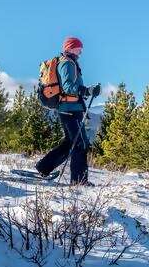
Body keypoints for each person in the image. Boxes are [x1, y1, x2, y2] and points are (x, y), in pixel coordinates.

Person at [35, 36, 100, 185]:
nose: (80, 51)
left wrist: (86, 91)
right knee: (81, 143)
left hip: (69, 108)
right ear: (70, 48)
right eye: (78, 48)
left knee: (71, 142)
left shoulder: (68, 62)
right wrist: (87, 90)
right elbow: (68, 87)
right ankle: (78, 181)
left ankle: (44, 167)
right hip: (70, 109)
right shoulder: (67, 64)